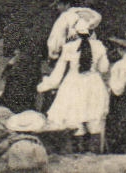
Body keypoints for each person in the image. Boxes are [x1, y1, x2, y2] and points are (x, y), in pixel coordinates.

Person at [39, 11, 111, 152]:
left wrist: (46, 84)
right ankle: (94, 156)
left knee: (75, 117)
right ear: (91, 32)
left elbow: (59, 72)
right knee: (94, 118)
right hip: (93, 84)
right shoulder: (99, 46)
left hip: (73, 84)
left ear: (75, 32)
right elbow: (103, 68)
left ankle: (79, 154)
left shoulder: (69, 47)